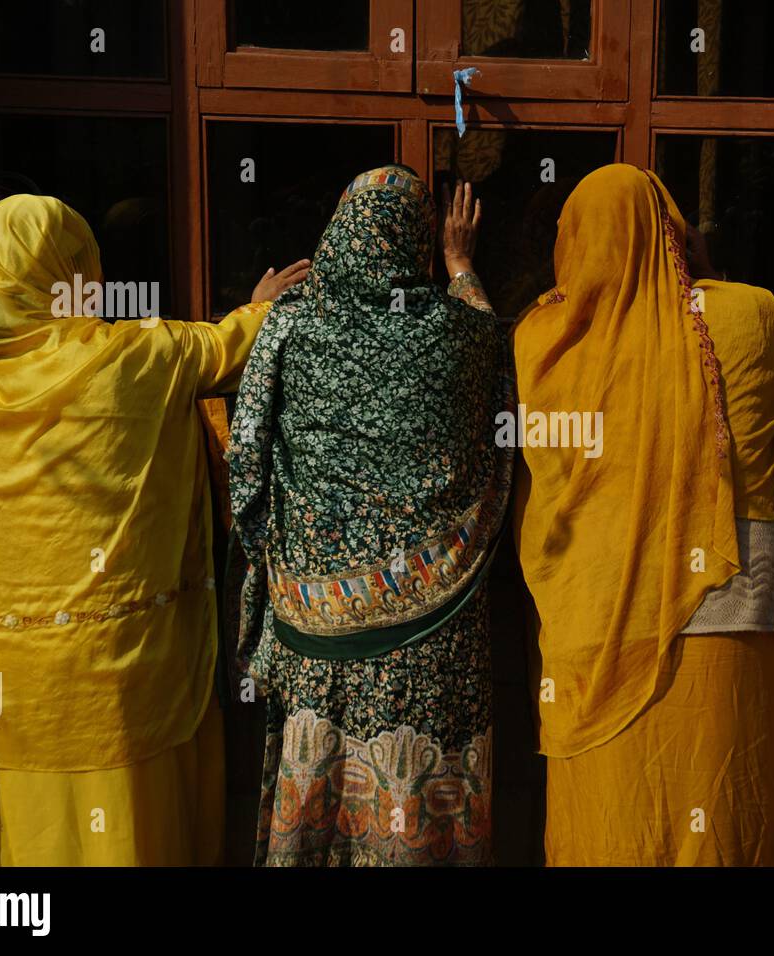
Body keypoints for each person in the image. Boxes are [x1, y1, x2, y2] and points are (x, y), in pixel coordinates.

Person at [0, 193, 308, 865]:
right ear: (79, 271)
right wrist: (263, 305)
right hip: (121, 690)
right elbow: (227, 348)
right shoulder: (135, 357)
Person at [513, 164, 774, 865]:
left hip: (591, 633)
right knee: (723, 816)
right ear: (678, 232)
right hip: (726, 615)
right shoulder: (752, 317)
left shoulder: (541, 339)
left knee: (609, 821)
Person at [229, 165, 512, 866]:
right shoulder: (465, 335)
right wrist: (460, 263)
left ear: (337, 234)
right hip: (435, 640)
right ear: (418, 243)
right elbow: (488, 353)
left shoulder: (286, 328)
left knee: (317, 792)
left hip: (313, 632)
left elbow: (246, 460)